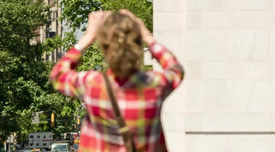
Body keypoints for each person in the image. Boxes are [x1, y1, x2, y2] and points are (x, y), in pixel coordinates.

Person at [50, 10, 184, 152]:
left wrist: (88, 37)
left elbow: (57, 75)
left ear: (105, 47)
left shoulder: (92, 84)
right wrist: (147, 36)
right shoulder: (154, 85)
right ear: (138, 46)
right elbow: (176, 70)